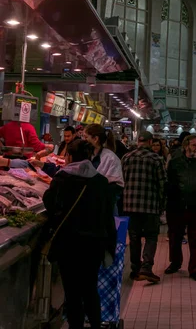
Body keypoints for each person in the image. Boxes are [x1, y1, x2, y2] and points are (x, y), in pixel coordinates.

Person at [43, 140, 116, 329]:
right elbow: (108, 216)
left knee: (72, 292)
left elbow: (50, 205)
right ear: (90, 157)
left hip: (69, 244)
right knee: (90, 289)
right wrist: (111, 246)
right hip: (94, 245)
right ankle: (95, 325)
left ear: (69, 157)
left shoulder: (61, 179)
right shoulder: (100, 181)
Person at [165, 134, 196, 282]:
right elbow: (169, 184)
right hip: (177, 207)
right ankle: (175, 263)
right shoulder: (175, 163)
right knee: (175, 237)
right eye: (194, 145)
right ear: (186, 146)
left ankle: (194, 268)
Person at [122, 130, 167, 283]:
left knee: (134, 238)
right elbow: (162, 184)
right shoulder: (156, 159)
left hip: (130, 205)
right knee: (151, 236)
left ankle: (135, 270)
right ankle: (146, 268)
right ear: (149, 142)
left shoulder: (126, 158)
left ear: (138, 141)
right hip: (150, 205)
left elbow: (122, 181)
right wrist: (162, 204)